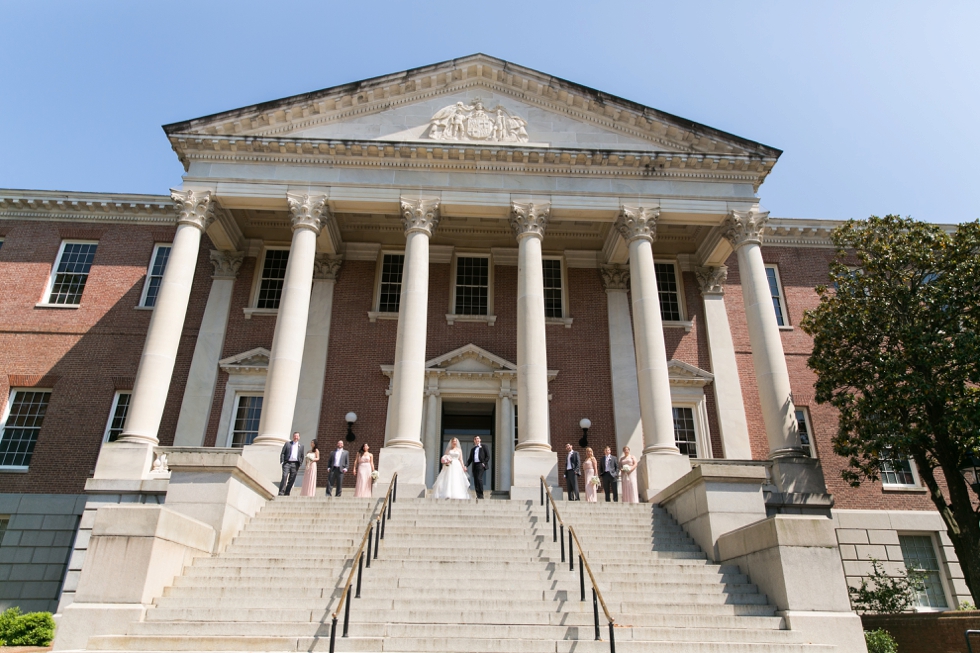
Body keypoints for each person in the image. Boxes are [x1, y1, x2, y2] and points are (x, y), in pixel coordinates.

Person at [278, 432, 304, 496]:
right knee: (284, 476)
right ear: (293, 437)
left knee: (292, 479)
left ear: (299, 437)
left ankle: (287, 492)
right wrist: (282, 461)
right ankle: (281, 492)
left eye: (297, 436)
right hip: (287, 463)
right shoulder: (288, 444)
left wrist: (300, 463)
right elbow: (283, 453)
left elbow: (302, 455)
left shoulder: (301, 446)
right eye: (295, 436)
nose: (296, 438)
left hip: (295, 464)